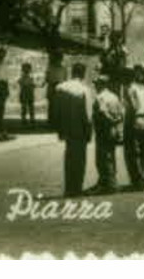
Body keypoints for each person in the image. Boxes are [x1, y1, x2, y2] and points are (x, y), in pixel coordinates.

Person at [53, 61, 94, 198]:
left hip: (66, 129)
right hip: (80, 129)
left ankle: (69, 188)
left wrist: (59, 129)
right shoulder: (84, 90)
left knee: (69, 158)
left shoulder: (60, 87)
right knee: (80, 160)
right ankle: (76, 188)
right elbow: (87, 114)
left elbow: (56, 112)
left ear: (72, 72)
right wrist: (89, 131)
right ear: (83, 73)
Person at [91, 75, 124, 193]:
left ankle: (109, 184)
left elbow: (102, 112)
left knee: (103, 158)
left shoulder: (100, 97)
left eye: (97, 83)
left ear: (102, 84)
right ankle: (107, 181)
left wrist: (110, 121)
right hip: (113, 130)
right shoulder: (114, 96)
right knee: (111, 155)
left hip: (104, 130)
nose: (95, 86)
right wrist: (116, 123)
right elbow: (121, 114)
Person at [122, 66, 144, 187]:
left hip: (134, 119)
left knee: (131, 151)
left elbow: (133, 106)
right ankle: (143, 176)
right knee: (142, 149)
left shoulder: (129, 89)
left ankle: (136, 180)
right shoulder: (143, 87)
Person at [45, 50, 66, 132]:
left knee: (59, 106)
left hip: (60, 87)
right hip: (52, 86)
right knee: (51, 106)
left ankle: (57, 122)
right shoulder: (50, 67)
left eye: (60, 58)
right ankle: (51, 123)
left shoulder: (63, 68)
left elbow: (65, 79)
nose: (59, 60)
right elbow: (47, 78)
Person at [18, 62, 38, 128]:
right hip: (26, 93)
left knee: (30, 106)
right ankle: (25, 118)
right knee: (25, 106)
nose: (27, 71)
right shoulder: (23, 77)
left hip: (28, 93)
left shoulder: (29, 77)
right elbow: (21, 83)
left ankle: (30, 118)